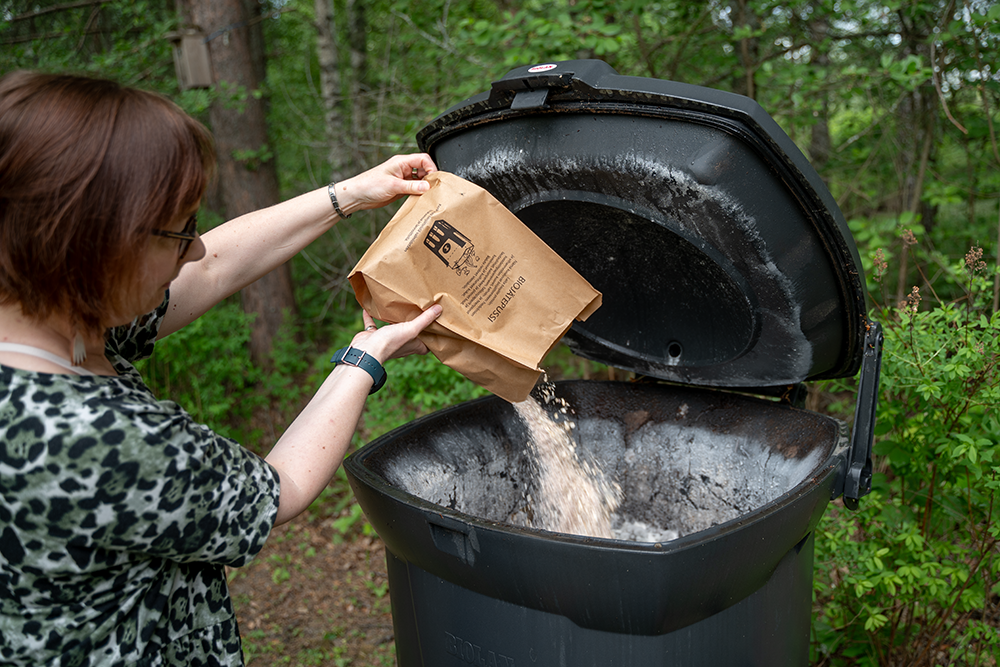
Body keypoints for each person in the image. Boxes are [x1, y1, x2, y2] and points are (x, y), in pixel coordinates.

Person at [0, 70, 441, 666]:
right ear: (93, 241)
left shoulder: (48, 318)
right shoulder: (94, 438)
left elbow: (211, 272)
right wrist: (367, 354)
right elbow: (277, 490)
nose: (197, 247)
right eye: (178, 231)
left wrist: (352, 194)